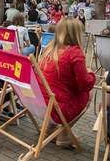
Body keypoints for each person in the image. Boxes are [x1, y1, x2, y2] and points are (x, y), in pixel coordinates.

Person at [39, 17, 95, 146]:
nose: (83, 34)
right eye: (82, 32)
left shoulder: (49, 48)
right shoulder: (74, 53)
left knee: (57, 90)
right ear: (75, 33)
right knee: (89, 93)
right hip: (58, 110)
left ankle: (50, 128)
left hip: (42, 104)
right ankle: (64, 134)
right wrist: (91, 73)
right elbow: (85, 84)